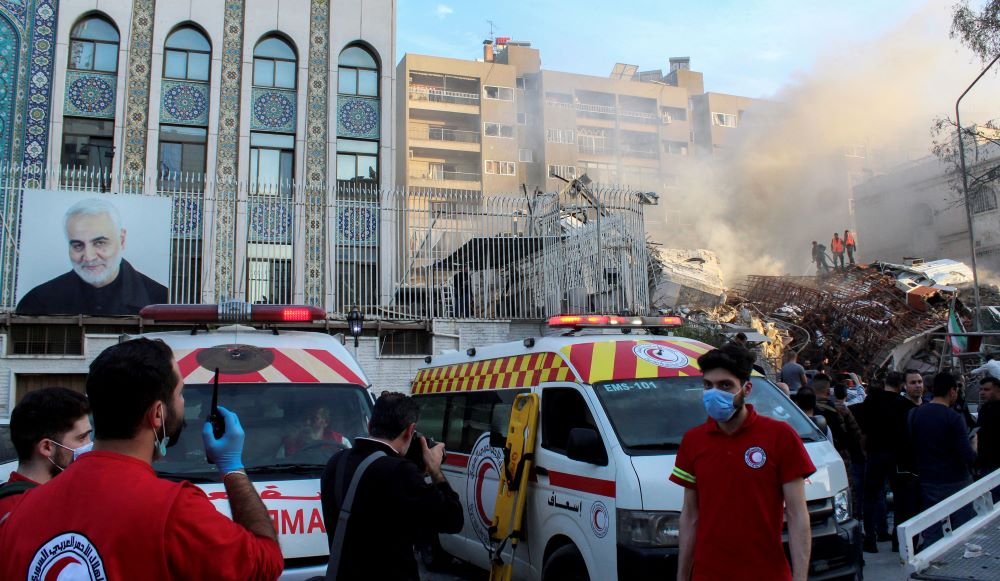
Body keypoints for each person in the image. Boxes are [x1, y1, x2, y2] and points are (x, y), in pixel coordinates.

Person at [0, 338, 284, 580]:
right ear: (158, 414)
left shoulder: (20, 513)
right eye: (181, 394)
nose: (184, 403)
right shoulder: (175, 510)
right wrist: (233, 469)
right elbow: (265, 563)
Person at [672, 344, 814, 581]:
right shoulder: (693, 441)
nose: (714, 393)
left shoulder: (780, 436)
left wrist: (800, 578)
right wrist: (682, 575)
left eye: (725, 385)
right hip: (708, 574)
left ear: (746, 389)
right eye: (708, 385)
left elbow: (798, 515)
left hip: (767, 573)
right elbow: (690, 516)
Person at [320, 392, 464, 580]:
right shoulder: (400, 473)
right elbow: (453, 519)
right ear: (410, 430)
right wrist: (435, 470)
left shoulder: (336, 462)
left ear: (370, 425)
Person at [15, 198, 168, 316]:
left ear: (121, 240)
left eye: (100, 243)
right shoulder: (38, 303)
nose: (88, 257)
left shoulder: (161, 301)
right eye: (78, 246)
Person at [0, 387, 92, 520]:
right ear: (47, 447)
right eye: (82, 438)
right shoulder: (14, 512)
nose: (89, 445)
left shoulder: (61, 495)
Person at [910, 372, 978, 547]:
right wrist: (974, 445)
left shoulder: (914, 414)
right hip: (956, 481)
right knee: (962, 531)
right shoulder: (954, 418)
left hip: (927, 481)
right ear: (952, 391)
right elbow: (968, 456)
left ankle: (929, 564)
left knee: (932, 530)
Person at [282, 407, 350, 456]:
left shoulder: (341, 442)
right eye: (305, 418)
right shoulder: (290, 442)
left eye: (314, 418)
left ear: (326, 422)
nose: (307, 422)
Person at [976, 376, 1000, 478]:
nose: (982, 392)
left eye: (986, 389)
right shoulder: (985, 408)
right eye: (981, 389)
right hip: (986, 462)